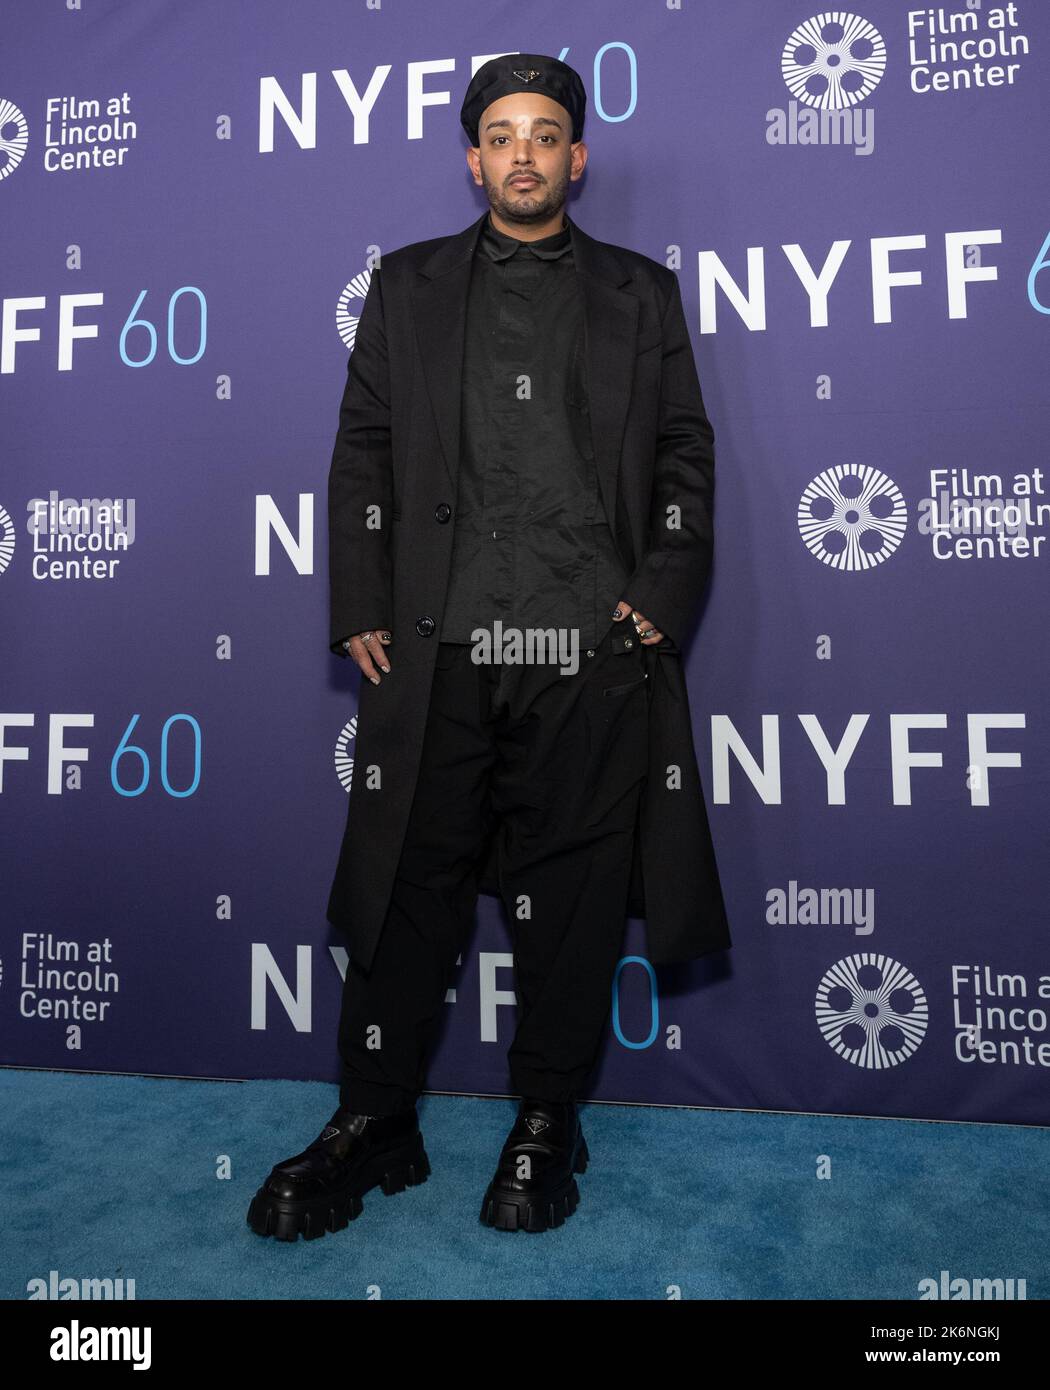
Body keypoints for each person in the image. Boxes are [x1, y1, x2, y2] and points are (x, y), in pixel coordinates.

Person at [247, 52, 730, 1242]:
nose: (523, 151)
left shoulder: (642, 294)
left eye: (546, 131)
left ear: (576, 157)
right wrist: (357, 588)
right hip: (436, 646)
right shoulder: (404, 288)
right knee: (403, 890)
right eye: (501, 133)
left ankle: (546, 1120)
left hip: (586, 648)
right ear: (474, 160)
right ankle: (376, 1121)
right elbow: (364, 448)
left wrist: (660, 591)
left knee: (568, 902)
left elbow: (683, 454)